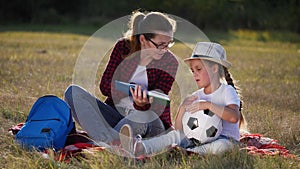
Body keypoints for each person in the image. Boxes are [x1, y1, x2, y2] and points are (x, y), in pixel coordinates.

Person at [64, 10, 178, 144]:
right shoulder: (122, 48)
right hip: (117, 114)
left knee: (140, 116)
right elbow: (105, 86)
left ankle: (103, 142)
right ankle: (113, 142)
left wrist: (141, 104)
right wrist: (130, 90)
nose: (165, 49)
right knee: (73, 92)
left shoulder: (170, 62)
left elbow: (159, 101)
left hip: (149, 120)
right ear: (143, 39)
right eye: (160, 45)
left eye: (169, 43)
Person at [120, 42, 247, 157]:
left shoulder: (226, 91)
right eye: (192, 70)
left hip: (225, 140)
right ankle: (139, 147)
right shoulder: (197, 95)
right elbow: (180, 130)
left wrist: (208, 105)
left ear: (214, 68)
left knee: (221, 146)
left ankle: (188, 153)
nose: (194, 74)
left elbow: (233, 117)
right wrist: (182, 109)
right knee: (175, 136)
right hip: (196, 140)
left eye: (198, 69)